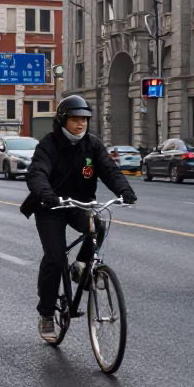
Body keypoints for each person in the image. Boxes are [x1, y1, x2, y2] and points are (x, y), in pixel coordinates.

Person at [26, 95, 136, 341]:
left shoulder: (92, 145)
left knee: (98, 222)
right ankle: (46, 314)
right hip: (50, 206)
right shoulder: (49, 144)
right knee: (55, 259)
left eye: (84, 119)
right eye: (75, 119)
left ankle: (81, 266)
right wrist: (47, 194)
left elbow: (109, 170)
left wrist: (125, 190)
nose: (80, 124)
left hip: (79, 204)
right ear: (63, 120)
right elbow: (37, 171)